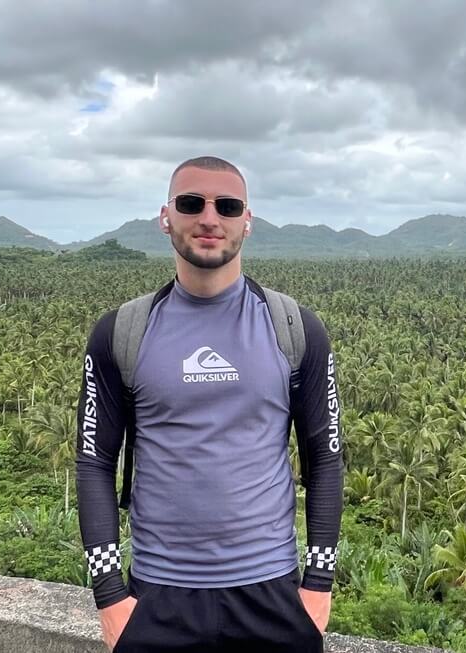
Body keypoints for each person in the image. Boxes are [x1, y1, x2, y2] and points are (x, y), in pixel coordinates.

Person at [75, 156, 343, 652]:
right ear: (165, 216)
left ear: (248, 220)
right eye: (191, 203)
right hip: (158, 595)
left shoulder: (295, 328)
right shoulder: (122, 332)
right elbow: (94, 462)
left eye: (227, 205)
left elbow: (325, 459)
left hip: (273, 592)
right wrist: (110, 594)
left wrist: (319, 584)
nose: (209, 217)